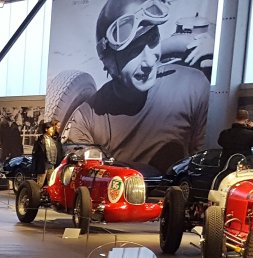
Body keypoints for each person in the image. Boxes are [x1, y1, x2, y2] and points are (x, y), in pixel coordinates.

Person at [66, 0, 208, 177]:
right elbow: (82, 180)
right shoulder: (87, 119)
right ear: (109, 63)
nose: (150, 61)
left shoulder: (193, 86)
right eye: (134, 51)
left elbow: (203, 167)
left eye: (153, 39)